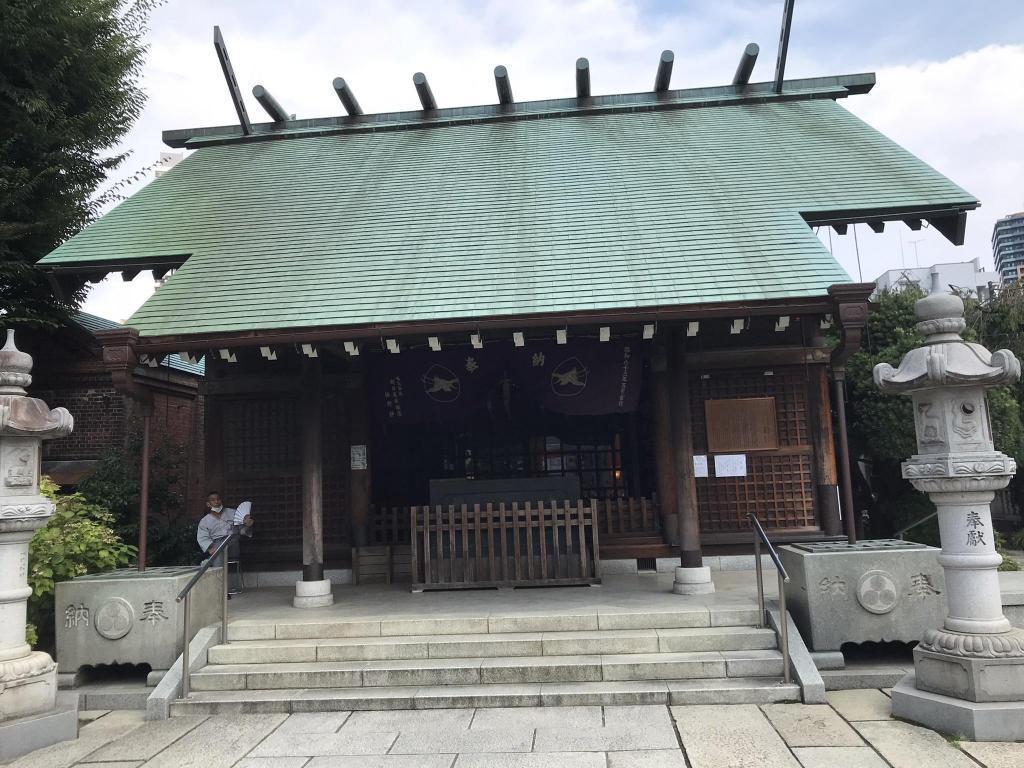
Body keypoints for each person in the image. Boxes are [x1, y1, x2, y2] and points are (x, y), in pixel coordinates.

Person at [196, 491, 254, 559]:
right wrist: (210, 548)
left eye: (218, 499)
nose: (216, 502)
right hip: (216, 544)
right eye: (213, 500)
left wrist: (248, 526)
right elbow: (202, 537)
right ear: (208, 504)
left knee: (233, 559)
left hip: (233, 541)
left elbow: (242, 531)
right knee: (218, 559)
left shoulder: (233, 513)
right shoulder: (204, 521)